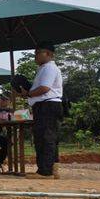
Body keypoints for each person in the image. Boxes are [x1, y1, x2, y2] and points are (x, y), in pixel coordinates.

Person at [20, 42, 64, 179]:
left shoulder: (49, 68)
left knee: (45, 138)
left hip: (47, 105)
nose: (35, 56)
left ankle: (45, 171)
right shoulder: (43, 69)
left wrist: (28, 94)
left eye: (38, 53)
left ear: (49, 54)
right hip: (46, 105)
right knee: (48, 137)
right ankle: (52, 168)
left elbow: (44, 88)